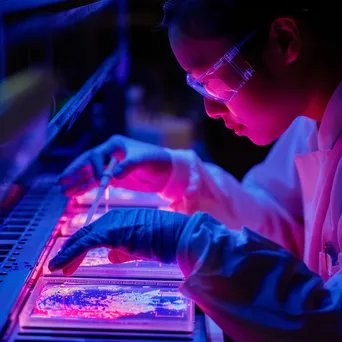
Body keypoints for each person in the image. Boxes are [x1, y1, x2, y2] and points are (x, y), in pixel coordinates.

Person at [49, 1, 342, 340]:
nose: (211, 108)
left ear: (284, 42)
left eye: (215, 80)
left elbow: (328, 321)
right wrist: (175, 175)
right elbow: (290, 231)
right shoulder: (309, 121)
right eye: (198, 86)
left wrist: (186, 240)